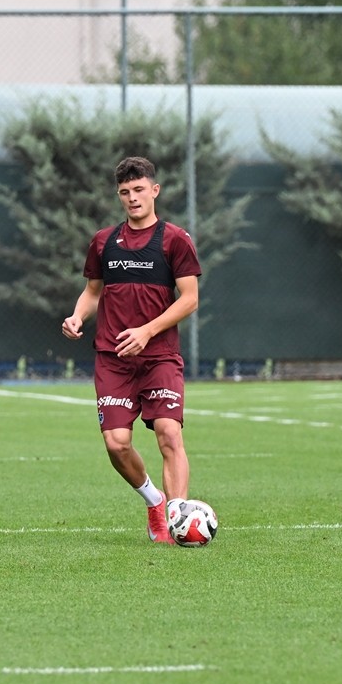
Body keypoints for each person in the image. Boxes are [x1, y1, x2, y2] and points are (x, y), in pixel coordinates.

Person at [62, 156, 201, 543]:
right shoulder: (104, 241)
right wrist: (77, 317)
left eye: (139, 190)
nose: (132, 198)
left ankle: (177, 521)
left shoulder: (175, 240)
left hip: (159, 357)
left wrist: (148, 330)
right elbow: (92, 292)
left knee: (169, 434)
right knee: (116, 443)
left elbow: (189, 299)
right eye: (125, 192)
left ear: (154, 190)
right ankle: (155, 501)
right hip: (113, 358)